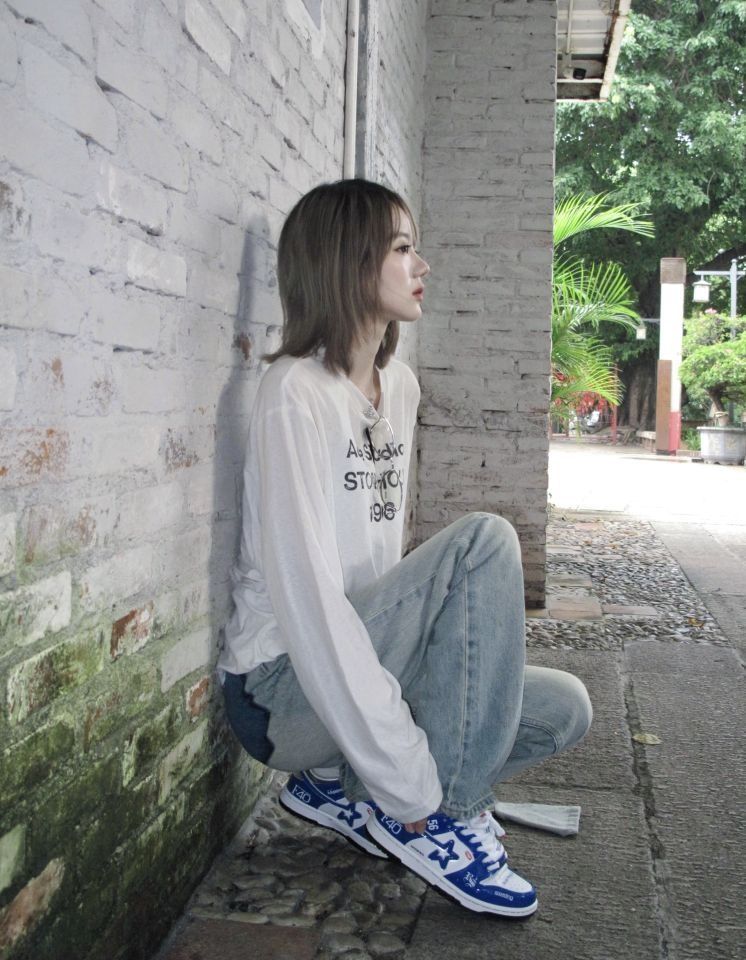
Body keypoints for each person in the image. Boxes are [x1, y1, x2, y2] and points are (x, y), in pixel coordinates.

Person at [219, 178, 592, 918]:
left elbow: (381, 564)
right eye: (401, 248)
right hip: (278, 688)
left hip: (362, 649)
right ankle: (437, 815)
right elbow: (310, 605)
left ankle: (340, 783)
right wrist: (412, 789)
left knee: (563, 708)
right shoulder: (294, 393)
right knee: (484, 542)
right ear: (348, 263)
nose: (422, 265)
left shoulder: (401, 386)